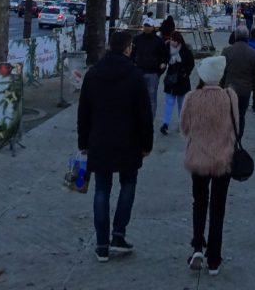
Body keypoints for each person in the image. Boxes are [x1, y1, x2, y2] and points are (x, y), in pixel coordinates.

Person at [77, 29, 154, 262]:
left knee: (102, 189)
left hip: (99, 140)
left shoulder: (93, 75)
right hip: (129, 141)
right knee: (128, 184)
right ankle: (118, 235)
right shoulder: (135, 75)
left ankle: (101, 244)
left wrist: (83, 141)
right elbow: (144, 114)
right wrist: (146, 144)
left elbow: (84, 112)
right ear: (128, 48)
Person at [180, 55, 237, 277]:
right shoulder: (229, 97)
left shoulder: (192, 98)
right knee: (218, 208)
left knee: (199, 202)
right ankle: (214, 258)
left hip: (198, 158)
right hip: (223, 158)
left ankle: (197, 247)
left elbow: (184, 127)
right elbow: (236, 128)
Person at [222, 26, 255, 138]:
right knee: (241, 115)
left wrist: (222, 86)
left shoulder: (227, 51)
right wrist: (253, 88)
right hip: (245, 90)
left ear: (235, 36)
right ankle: (238, 138)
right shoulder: (254, 53)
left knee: (229, 115)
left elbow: (221, 71)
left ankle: (229, 138)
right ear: (247, 37)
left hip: (229, 89)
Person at [132, 16, 168, 120]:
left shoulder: (159, 41)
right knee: (138, 96)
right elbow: (131, 54)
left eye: (149, 26)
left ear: (153, 27)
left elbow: (164, 57)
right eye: (145, 26)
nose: (147, 28)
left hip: (153, 74)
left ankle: (150, 118)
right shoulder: (137, 39)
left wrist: (159, 71)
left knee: (151, 98)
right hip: (139, 72)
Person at [160, 30, 195, 135]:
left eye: (174, 40)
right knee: (169, 103)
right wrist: (163, 64)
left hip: (182, 81)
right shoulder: (167, 49)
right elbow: (164, 59)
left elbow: (191, 63)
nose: (171, 42)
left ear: (179, 41)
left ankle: (182, 124)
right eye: (171, 39)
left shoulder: (185, 50)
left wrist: (186, 73)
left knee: (182, 104)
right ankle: (165, 123)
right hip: (171, 80)